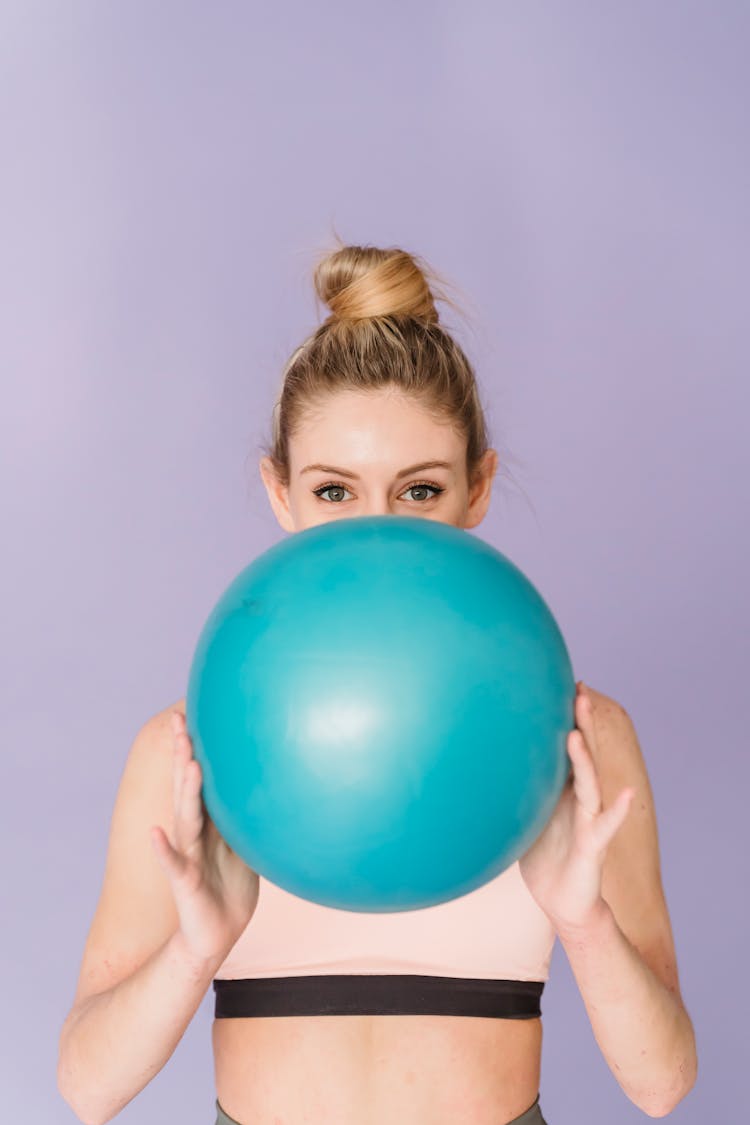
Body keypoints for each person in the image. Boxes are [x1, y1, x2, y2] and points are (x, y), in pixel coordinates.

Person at [57, 242, 697, 1125]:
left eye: (420, 489)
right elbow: (88, 1088)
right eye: (333, 491)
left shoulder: (580, 737)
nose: (377, 537)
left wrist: (584, 924)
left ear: (477, 489)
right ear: (279, 492)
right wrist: (196, 950)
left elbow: (662, 1084)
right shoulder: (187, 749)